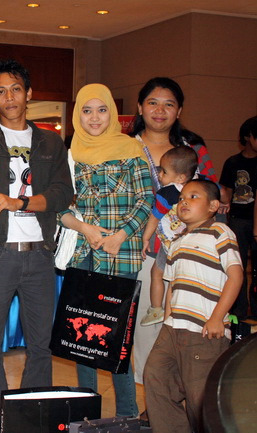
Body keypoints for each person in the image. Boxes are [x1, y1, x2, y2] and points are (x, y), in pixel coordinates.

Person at [0, 59, 72, 433]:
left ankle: (33, 409)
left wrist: (19, 202)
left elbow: (62, 193)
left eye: (15, 89)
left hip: (40, 253)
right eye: (1, 92)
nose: (9, 97)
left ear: (29, 94)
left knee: (40, 343)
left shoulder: (50, 142)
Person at [59, 83, 153, 418]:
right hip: (84, 255)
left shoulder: (131, 148)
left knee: (117, 338)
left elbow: (147, 199)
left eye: (101, 110)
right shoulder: (71, 154)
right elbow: (59, 204)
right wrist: (84, 228)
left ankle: (126, 413)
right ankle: (87, 410)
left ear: (112, 113)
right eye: (87, 110)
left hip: (121, 255)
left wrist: (121, 235)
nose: (94, 118)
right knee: (82, 338)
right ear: (77, 115)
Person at [129, 76, 228, 385]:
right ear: (140, 107)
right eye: (153, 103)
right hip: (144, 251)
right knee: (148, 327)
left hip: (192, 253)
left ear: (179, 110)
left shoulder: (193, 148)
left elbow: (213, 194)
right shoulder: (124, 147)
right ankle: (152, 398)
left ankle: (182, 395)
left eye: (169, 104)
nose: (160, 111)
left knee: (186, 328)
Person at [144, 179, 242, 433]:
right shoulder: (176, 241)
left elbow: (236, 276)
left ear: (213, 206)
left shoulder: (220, 232)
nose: (184, 202)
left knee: (200, 397)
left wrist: (217, 318)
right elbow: (172, 287)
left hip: (203, 331)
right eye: (180, 199)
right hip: (172, 329)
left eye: (193, 196)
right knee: (156, 379)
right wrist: (167, 322)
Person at [140, 146, 198, 326]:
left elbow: (154, 218)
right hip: (194, 244)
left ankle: (157, 309)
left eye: (164, 171)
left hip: (171, 245)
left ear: (180, 177)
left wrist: (145, 239)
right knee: (179, 280)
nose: (159, 175)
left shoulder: (166, 194)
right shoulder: (200, 189)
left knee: (157, 274)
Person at [220, 116, 257, 319]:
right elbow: (226, 190)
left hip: (254, 220)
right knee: (237, 266)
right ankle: (239, 312)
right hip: (238, 220)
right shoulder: (233, 162)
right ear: (248, 136)